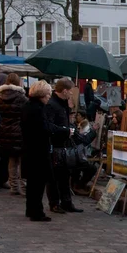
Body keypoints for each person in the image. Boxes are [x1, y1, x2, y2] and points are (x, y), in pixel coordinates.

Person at [45, 78, 84, 214]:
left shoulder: (63, 104)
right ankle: (54, 203)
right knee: (55, 176)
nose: (72, 94)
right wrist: (65, 130)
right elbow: (49, 126)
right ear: (65, 91)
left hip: (64, 144)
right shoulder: (51, 104)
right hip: (55, 145)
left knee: (64, 174)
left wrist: (71, 129)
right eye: (71, 92)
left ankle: (67, 202)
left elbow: (65, 122)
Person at [21, 81, 54, 222]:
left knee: (33, 183)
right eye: (48, 94)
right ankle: (36, 212)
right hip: (38, 150)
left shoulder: (28, 106)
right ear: (41, 95)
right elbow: (43, 129)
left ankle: (31, 209)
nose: (49, 97)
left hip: (30, 149)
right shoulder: (37, 109)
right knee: (38, 183)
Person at [0, 73, 28, 195]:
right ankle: (23, 187)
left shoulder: (0, 96)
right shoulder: (21, 97)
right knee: (22, 160)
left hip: (5, 130)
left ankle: (13, 186)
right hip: (19, 130)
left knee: (12, 159)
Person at [71, 110, 97, 196]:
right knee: (91, 168)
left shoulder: (75, 125)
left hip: (72, 154)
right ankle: (78, 186)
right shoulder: (72, 127)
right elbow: (84, 140)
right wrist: (93, 131)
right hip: (72, 156)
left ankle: (77, 184)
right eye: (74, 116)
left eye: (76, 116)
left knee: (84, 165)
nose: (75, 118)